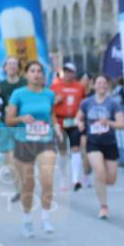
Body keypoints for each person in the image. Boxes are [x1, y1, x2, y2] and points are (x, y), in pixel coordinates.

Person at [6, 60, 61, 237]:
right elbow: (9, 120)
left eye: (39, 71)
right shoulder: (18, 94)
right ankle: (27, 219)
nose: (36, 74)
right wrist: (22, 119)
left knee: (47, 180)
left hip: (45, 140)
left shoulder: (49, 94)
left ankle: (45, 218)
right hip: (25, 141)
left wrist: (57, 128)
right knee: (28, 184)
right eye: (32, 71)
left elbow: (51, 114)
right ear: (26, 74)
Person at [76, 74, 124, 219]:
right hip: (93, 142)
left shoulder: (113, 103)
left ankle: (92, 169)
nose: (102, 85)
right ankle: (104, 207)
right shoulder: (86, 102)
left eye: (104, 83)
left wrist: (108, 122)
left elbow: (122, 124)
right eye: (99, 83)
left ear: (108, 86)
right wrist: (79, 123)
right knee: (99, 172)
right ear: (93, 85)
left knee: (110, 180)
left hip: (110, 143)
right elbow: (77, 118)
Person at [52, 61, 88, 191]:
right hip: (60, 121)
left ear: (74, 73)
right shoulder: (55, 86)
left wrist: (82, 119)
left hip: (74, 121)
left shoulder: (80, 87)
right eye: (66, 71)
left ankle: (75, 179)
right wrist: (55, 101)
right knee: (62, 151)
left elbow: (84, 104)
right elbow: (48, 104)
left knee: (76, 148)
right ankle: (63, 176)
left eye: (70, 71)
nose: (68, 74)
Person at [0, 57, 27, 203]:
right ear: (5, 67)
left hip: (21, 125)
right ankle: (19, 191)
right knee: (11, 162)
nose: (12, 66)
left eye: (15, 64)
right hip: (5, 125)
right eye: (10, 64)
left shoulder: (25, 83)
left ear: (18, 67)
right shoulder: (0, 86)